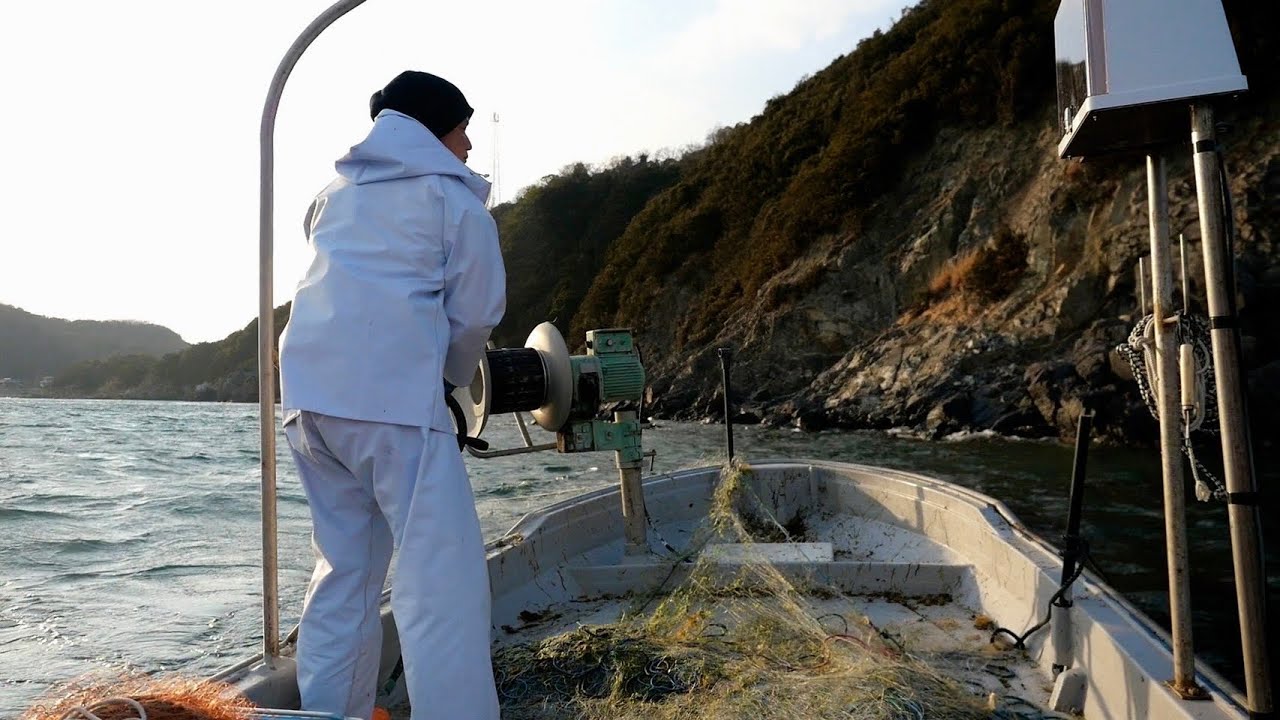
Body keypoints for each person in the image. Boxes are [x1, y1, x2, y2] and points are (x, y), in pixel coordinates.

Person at [278, 70, 505, 720]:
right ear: (436, 128)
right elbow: (477, 315)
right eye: (462, 128)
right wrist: (446, 385)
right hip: (396, 407)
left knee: (344, 571)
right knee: (442, 583)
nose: (468, 146)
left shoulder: (330, 196)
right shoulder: (455, 202)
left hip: (310, 404)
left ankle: (329, 713)